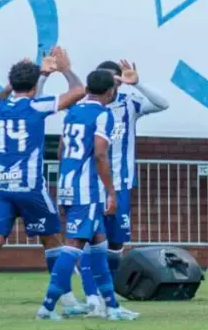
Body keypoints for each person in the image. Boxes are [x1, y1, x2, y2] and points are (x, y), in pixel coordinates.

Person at [65, 59, 170, 316]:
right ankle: (93, 297)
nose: (112, 84)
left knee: (114, 244)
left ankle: (107, 297)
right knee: (88, 240)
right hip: (91, 185)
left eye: (115, 79)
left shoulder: (129, 104)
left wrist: (138, 83)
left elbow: (162, 104)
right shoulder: (85, 106)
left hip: (121, 184)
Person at [35, 69, 139, 322]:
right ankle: (46, 308)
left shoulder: (73, 111)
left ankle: (112, 307)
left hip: (67, 185)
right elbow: (100, 155)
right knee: (73, 246)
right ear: (110, 91)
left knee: (99, 245)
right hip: (87, 190)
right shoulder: (103, 114)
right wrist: (111, 192)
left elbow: (61, 150)